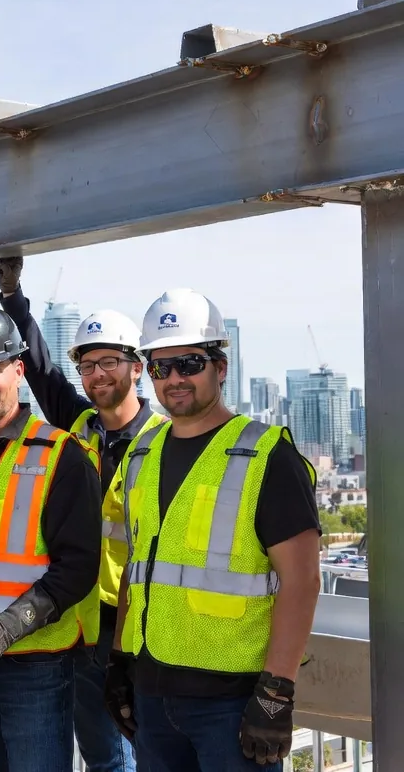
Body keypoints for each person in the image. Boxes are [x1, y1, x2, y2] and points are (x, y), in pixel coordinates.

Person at [106, 288, 320, 772]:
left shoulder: (267, 455)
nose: (175, 379)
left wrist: (275, 692)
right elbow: (138, 567)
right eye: (161, 367)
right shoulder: (142, 454)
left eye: (189, 363)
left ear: (220, 367)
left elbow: (302, 581)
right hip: (152, 696)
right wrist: (120, 661)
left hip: (231, 704)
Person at [0, 256, 165, 772]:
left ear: (137, 366)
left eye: (108, 361)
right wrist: (14, 297)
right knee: (101, 751)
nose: (96, 374)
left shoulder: (164, 442)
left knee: (124, 754)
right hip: (83, 620)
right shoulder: (82, 426)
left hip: (136, 624)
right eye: (87, 365)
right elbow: (43, 375)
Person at [0, 302, 102, 772]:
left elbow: (79, 567)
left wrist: (9, 627)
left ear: (19, 370)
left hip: (35, 667)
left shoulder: (62, 456)